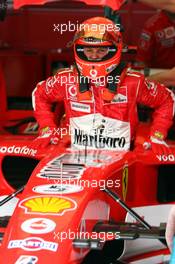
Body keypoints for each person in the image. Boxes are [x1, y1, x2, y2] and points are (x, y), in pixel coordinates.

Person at [31, 16, 174, 154]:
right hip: (74, 156)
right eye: (88, 50)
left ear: (114, 50)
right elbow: (40, 94)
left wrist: (157, 135)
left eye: (101, 50)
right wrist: (47, 130)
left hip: (120, 159)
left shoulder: (133, 82)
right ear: (79, 49)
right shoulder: (65, 80)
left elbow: (166, 99)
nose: (94, 56)